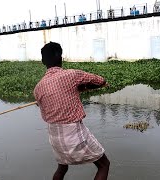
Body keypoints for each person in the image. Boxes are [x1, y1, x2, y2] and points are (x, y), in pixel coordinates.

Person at [34, 42, 110, 180]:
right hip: (73, 133)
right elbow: (99, 80)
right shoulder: (72, 75)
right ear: (61, 58)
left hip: (55, 137)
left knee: (62, 168)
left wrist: (79, 89)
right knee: (104, 165)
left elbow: (42, 107)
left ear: (43, 61)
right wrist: (103, 83)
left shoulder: (38, 88)